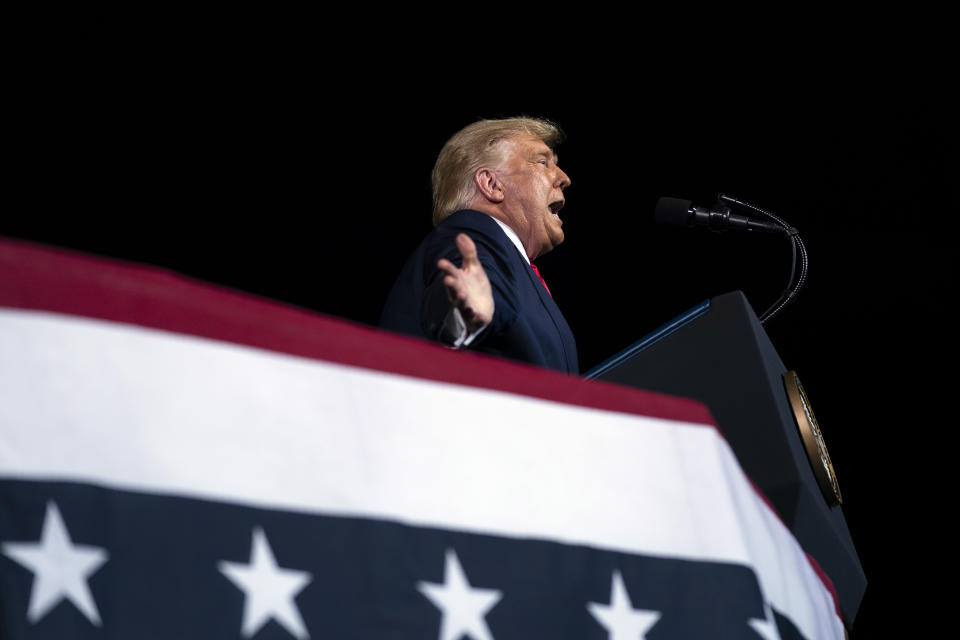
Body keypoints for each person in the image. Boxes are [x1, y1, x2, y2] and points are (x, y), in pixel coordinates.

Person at [379, 117, 578, 374]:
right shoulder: (469, 232)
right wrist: (460, 316)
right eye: (542, 162)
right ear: (492, 185)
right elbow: (456, 290)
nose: (564, 178)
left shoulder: (512, 260)